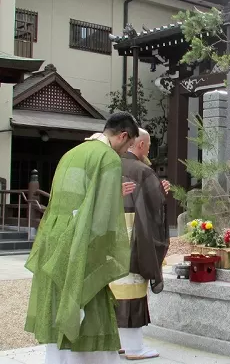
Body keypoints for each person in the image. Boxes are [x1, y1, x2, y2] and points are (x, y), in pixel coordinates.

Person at [24, 112, 140, 364]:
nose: (125, 151)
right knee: (89, 304)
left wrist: (110, 194)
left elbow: (69, 198)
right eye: (129, 145)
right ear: (123, 136)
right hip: (82, 241)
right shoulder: (108, 157)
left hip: (55, 240)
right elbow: (102, 219)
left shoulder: (71, 153)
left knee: (60, 303)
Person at [111, 129, 170, 360]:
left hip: (112, 239)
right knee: (133, 290)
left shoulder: (112, 165)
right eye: (148, 145)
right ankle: (134, 348)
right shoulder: (143, 170)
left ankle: (116, 343)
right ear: (142, 145)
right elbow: (155, 206)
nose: (148, 150)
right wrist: (162, 192)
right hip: (135, 238)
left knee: (114, 292)